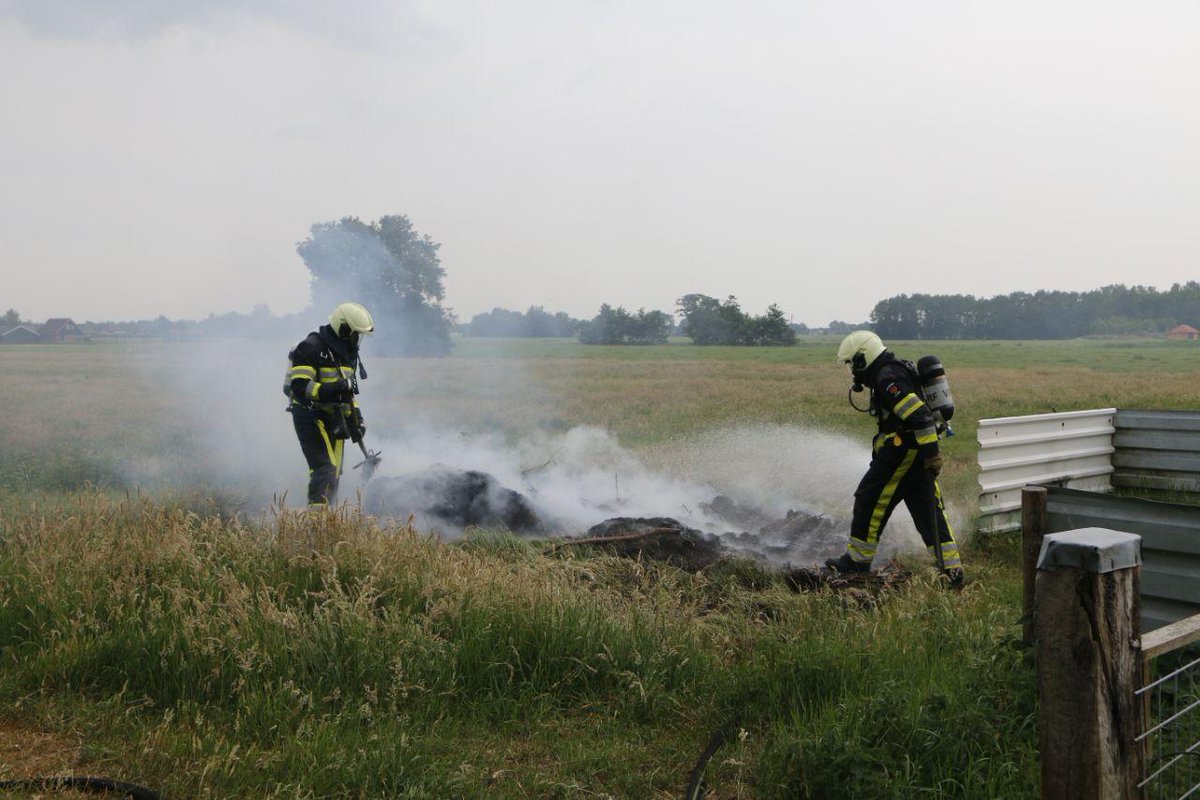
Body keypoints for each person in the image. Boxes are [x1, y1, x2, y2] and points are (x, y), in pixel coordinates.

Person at [825, 330, 964, 587]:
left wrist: (932, 455)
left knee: (869, 497)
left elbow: (920, 416)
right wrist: (928, 455)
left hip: (903, 452)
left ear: (862, 358)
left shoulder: (886, 378)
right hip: (916, 453)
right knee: (927, 509)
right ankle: (952, 570)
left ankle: (858, 561)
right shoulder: (893, 370)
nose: (852, 372)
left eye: (852, 364)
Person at [285, 301, 374, 508]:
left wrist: (357, 421)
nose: (357, 340)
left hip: (334, 417)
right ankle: (317, 523)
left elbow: (348, 395)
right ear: (343, 328)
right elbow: (300, 386)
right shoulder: (311, 348)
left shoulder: (347, 354)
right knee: (325, 469)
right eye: (355, 334)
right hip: (309, 415)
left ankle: (329, 517)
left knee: (334, 473)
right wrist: (335, 388)